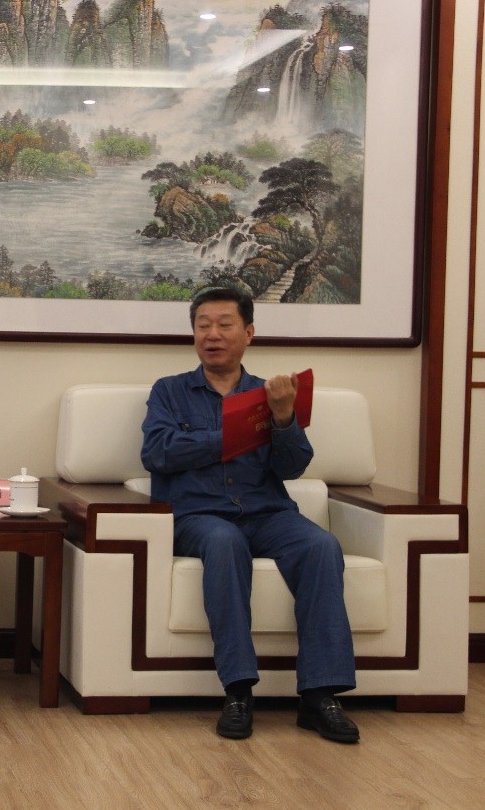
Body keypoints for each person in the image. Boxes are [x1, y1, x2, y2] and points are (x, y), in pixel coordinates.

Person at [139, 287, 359, 743]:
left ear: (249, 332)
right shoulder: (169, 391)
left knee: (321, 545)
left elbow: (292, 468)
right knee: (225, 542)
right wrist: (231, 435)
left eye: (224, 325)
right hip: (199, 516)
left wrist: (282, 419)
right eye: (203, 325)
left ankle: (320, 696)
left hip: (267, 512)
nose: (212, 335)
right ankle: (238, 691)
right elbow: (157, 453)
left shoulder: (270, 394)